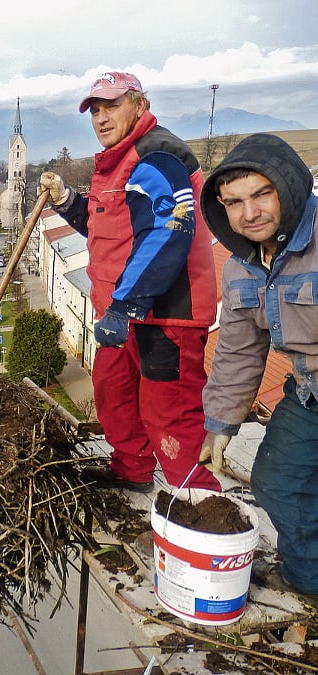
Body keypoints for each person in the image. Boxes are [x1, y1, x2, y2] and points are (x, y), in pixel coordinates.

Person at [39, 72, 220, 492]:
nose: (101, 118)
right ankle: (133, 471)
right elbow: (109, 230)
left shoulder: (157, 155)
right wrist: (67, 199)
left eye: (112, 106)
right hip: (121, 312)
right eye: (95, 110)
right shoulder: (118, 161)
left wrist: (123, 305)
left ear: (140, 104)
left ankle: (198, 506)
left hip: (164, 317)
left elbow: (169, 229)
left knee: (168, 416)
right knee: (114, 394)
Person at [197, 133, 318, 600]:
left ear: (286, 188)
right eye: (234, 201)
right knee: (278, 481)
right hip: (309, 390)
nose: (250, 213)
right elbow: (239, 350)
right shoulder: (241, 266)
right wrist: (221, 424)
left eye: (261, 194)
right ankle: (308, 581)